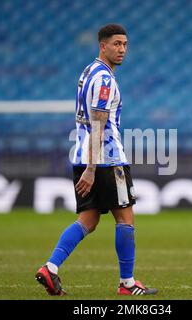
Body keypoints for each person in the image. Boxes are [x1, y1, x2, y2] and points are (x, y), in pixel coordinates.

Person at [35, 24, 157, 296]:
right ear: (102, 45)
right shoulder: (104, 79)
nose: (122, 49)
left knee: (88, 220)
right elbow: (99, 123)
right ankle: (127, 284)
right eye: (116, 44)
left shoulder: (88, 71)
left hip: (82, 155)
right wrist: (91, 169)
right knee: (125, 219)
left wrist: (87, 166)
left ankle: (50, 268)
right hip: (105, 159)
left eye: (125, 44)